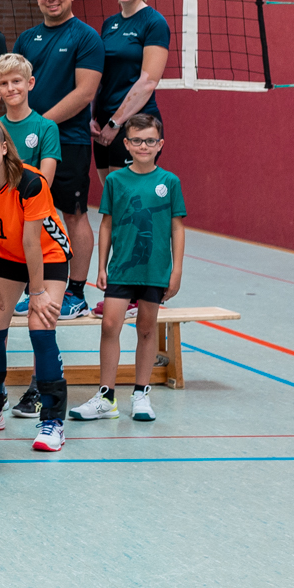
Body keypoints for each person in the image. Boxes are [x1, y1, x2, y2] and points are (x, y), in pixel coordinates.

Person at [0, 116, 72, 452]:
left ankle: (53, 421)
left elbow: (32, 242)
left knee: (41, 327)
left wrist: (36, 292)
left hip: (47, 255)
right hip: (6, 254)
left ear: (4, 147)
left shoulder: (30, 182)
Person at [3, 0, 104, 319]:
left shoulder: (86, 37)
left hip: (69, 140)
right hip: (25, 141)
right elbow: (13, 84)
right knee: (26, 212)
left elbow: (85, 92)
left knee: (73, 214)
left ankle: (76, 292)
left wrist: (40, 125)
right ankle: (33, 285)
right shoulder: (27, 39)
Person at [82, 114, 186, 423]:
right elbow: (106, 224)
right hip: (122, 268)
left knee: (146, 328)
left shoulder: (169, 182)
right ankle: (106, 397)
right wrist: (101, 266)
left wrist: (176, 271)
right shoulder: (116, 181)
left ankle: (141, 394)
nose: (144, 146)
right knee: (109, 325)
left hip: (155, 269)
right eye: (137, 140)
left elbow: (177, 228)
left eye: (150, 140)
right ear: (126, 144)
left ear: (160, 144)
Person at [92, 0, 170, 181]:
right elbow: (101, 77)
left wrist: (115, 123)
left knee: (128, 197)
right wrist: (92, 117)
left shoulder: (154, 23)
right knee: (112, 195)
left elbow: (147, 82)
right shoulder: (110, 23)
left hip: (136, 123)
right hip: (103, 123)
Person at [0, 54, 61, 185]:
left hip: (32, 197)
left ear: (30, 83)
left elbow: (45, 182)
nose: (10, 88)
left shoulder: (47, 127)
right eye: (4, 83)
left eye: (16, 81)